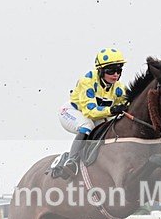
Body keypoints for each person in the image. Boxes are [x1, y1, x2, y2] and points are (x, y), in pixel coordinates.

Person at [49, 47, 129, 179]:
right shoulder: (87, 82)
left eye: (118, 70)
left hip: (96, 114)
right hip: (73, 112)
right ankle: (71, 161)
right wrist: (112, 110)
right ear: (101, 71)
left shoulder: (119, 88)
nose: (116, 75)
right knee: (87, 125)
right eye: (111, 71)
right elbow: (90, 112)